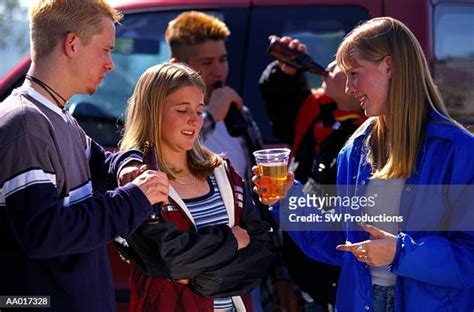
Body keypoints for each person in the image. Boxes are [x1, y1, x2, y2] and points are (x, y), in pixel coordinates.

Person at [255, 17, 474, 311]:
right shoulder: (356, 148)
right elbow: (343, 242)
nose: (348, 87)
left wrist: (399, 253)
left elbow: (469, 258)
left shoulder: (459, 151)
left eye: (355, 73)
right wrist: (286, 198)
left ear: (389, 66)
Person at [0, 1, 168, 311]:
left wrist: (128, 166)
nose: (110, 64)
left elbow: (103, 163)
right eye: (106, 50)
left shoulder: (60, 117)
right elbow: (44, 232)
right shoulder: (25, 123)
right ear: (72, 44)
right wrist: (134, 198)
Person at [119, 62, 273, 312]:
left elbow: (261, 251)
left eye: (200, 110)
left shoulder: (223, 172)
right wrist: (232, 240)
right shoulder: (137, 182)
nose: (194, 120)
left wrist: (202, 281)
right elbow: (169, 259)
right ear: (153, 112)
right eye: (182, 110)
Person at [259, 36, 366, 311]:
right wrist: (286, 73)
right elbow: (282, 109)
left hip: (337, 281)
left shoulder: (370, 139)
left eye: (347, 66)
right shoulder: (319, 112)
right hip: (302, 273)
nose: (330, 65)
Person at [165, 11, 262, 183]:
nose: (219, 72)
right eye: (207, 63)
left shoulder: (239, 113)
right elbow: (167, 155)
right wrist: (210, 115)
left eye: (223, 60)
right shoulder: (164, 114)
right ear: (178, 66)